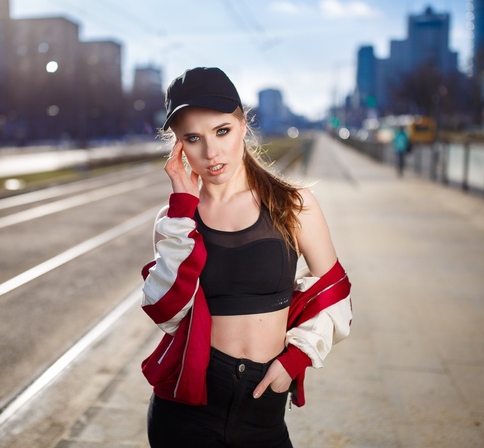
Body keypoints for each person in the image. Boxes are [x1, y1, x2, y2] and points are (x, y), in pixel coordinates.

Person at [140, 67, 352, 448]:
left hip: (263, 409)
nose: (211, 152)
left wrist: (295, 361)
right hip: (188, 411)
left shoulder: (294, 205)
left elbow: (334, 292)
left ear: (243, 123)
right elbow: (166, 311)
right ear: (179, 147)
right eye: (193, 138)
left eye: (222, 130)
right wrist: (183, 209)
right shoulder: (174, 222)